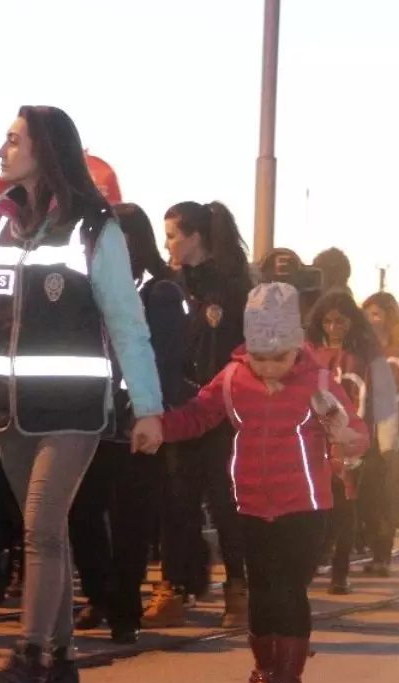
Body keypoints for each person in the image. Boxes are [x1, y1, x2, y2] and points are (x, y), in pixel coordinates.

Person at [0, 106, 163, 683]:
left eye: (13, 140)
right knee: (50, 537)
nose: (1, 150)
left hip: (73, 409)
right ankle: (64, 668)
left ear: (45, 149)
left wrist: (146, 408)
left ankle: (31, 658)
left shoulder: (96, 227)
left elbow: (128, 322)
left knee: (41, 529)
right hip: (9, 414)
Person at [157, 282, 367, 683]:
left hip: (305, 508)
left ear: (296, 348)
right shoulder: (233, 379)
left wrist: (349, 438)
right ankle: (266, 670)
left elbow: (353, 427)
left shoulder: (318, 382)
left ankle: (288, 682)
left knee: (288, 591)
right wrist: (159, 428)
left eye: (280, 357)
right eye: (260, 357)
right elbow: (198, 414)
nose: (270, 367)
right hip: (251, 504)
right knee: (262, 592)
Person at [67, 202, 188, 643]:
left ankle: (123, 608)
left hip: (136, 422)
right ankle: (102, 594)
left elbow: (168, 361)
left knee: (130, 520)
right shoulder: (91, 286)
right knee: (81, 512)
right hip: (91, 419)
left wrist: (148, 411)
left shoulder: (162, 291)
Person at [144, 200, 252, 629]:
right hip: (178, 412)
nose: (167, 244)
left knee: (226, 504)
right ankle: (174, 587)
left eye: (172, 235)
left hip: (224, 414)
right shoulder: (168, 288)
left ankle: (239, 591)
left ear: (195, 237)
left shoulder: (233, 288)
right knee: (176, 501)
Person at [306, 290, 391, 588]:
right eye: (328, 321)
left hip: (353, 438)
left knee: (344, 504)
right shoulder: (310, 351)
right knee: (317, 505)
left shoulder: (367, 353)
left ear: (351, 321)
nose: (334, 328)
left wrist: (381, 438)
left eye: (340, 321)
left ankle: (340, 573)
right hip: (314, 438)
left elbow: (382, 398)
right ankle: (314, 561)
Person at [362, 292, 399, 533]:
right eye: (366, 314)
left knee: (393, 487)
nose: (370, 320)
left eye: (376, 314)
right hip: (368, 429)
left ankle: (385, 542)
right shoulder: (361, 352)